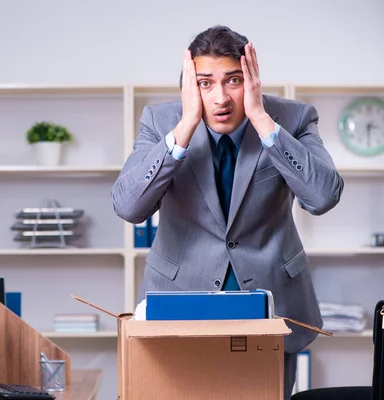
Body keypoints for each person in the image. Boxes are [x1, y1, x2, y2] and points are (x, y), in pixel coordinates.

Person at [111, 25, 344, 399]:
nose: (221, 97)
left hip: (271, 311)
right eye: (205, 83)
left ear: (251, 78)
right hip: (179, 306)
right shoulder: (159, 122)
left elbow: (323, 197)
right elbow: (128, 206)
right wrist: (185, 127)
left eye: (233, 80)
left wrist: (264, 123)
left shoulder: (293, 118)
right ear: (189, 85)